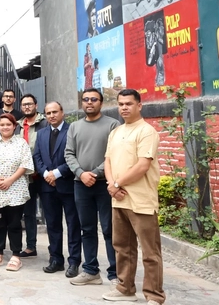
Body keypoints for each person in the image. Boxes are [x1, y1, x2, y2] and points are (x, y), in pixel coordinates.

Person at [102, 89, 165, 304]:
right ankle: (125, 288)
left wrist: (117, 183)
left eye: (128, 103)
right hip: (118, 198)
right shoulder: (116, 132)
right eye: (120, 104)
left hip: (141, 200)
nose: (124, 108)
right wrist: (112, 185)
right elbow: (108, 161)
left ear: (139, 105)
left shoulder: (147, 131)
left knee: (150, 251)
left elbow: (142, 165)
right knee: (122, 247)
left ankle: (154, 295)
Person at [65, 87, 120, 285]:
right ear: (82, 103)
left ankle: (115, 273)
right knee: (86, 229)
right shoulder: (74, 127)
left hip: (105, 184)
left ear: (101, 103)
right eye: (86, 99)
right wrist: (81, 173)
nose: (89, 102)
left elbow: (114, 154)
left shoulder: (113, 124)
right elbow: (69, 154)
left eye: (94, 99)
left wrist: (95, 173)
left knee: (109, 229)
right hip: (81, 185)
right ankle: (90, 270)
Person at [33, 102, 81, 278]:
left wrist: (57, 173)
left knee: (73, 224)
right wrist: (46, 173)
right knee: (52, 225)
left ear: (62, 112)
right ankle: (56, 259)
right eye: (48, 113)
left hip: (68, 185)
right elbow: (36, 156)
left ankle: (74, 261)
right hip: (47, 187)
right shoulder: (41, 134)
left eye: (55, 112)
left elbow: (76, 156)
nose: (51, 115)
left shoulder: (72, 131)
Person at [0, 113, 33, 272]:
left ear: (14, 126)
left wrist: (10, 180)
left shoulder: (21, 143)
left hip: (15, 189)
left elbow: (24, 165)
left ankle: (16, 255)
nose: (5, 127)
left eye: (8, 124)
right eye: (2, 125)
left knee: (14, 224)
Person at [15, 93, 48, 259]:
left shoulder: (45, 123)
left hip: (44, 174)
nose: (27, 107)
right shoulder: (18, 126)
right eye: (24, 104)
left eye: (30, 104)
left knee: (50, 212)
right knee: (28, 212)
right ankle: (30, 246)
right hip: (25, 177)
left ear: (36, 105)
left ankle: (55, 248)